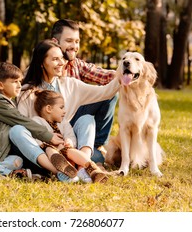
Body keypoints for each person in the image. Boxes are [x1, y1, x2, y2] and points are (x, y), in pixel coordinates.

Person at [9, 39, 120, 176]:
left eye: (61, 58)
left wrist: (122, 76)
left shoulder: (71, 84)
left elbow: (105, 93)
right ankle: (64, 168)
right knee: (17, 131)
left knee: (87, 120)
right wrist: (48, 138)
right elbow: (24, 125)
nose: (61, 62)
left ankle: (83, 165)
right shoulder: (26, 93)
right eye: (55, 59)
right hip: (42, 148)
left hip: (67, 144)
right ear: (41, 63)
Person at [0, 62, 71, 181]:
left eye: (20, 81)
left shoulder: (13, 103)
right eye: (14, 82)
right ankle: (9, 172)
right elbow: (21, 120)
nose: (19, 85)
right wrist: (48, 136)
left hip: (2, 154)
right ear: (0, 85)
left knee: (17, 161)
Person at [51, 19, 118, 163]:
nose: (74, 46)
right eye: (69, 41)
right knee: (96, 159)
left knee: (110, 94)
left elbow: (102, 74)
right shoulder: (43, 66)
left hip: (75, 118)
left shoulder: (76, 64)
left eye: (77, 41)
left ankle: (96, 145)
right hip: (55, 124)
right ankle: (85, 156)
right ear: (55, 42)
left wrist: (122, 75)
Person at [32, 89, 109, 183]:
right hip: (49, 152)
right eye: (61, 108)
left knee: (70, 151)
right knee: (50, 150)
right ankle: (71, 172)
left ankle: (91, 169)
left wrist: (69, 141)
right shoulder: (36, 121)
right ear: (49, 109)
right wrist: (49, 141)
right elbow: (35, 138)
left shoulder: (63, 123)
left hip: (65, 150)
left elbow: (70, 135)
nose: (64, 111)